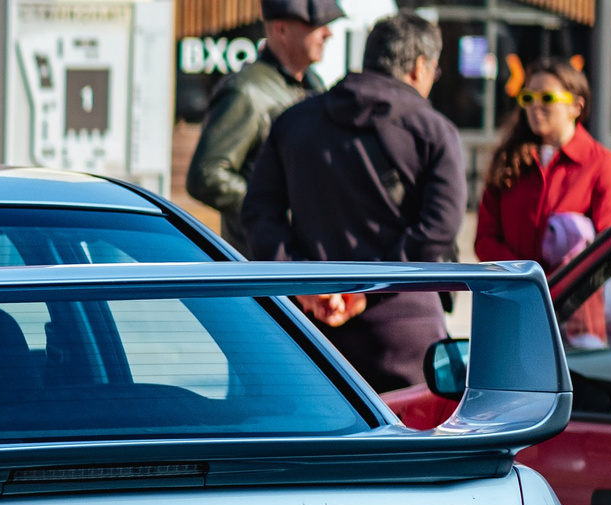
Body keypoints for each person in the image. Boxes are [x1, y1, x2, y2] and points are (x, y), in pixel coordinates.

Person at [239, 12, 466, 391]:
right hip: (404, 331)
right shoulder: (433, 131)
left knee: (313, 444)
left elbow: (259, 213)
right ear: (420, 67)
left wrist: (302, 281)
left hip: (309, 328)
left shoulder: (294, 121)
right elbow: (438, 229)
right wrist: (367, 287)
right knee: (409, 445)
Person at [474, 58, 611, 345]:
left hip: (575, 320)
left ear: (576, 106)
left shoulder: (601, 163)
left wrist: (558, 282)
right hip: (512, 309)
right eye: (528, 97)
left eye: (547, 98)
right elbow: (484, 239)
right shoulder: (507, 159)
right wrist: (526, 279)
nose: (534, 106)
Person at [184, 0, 343, 247]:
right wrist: (271, 206)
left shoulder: (313, 84)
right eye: (316, 24)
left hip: (300, 259)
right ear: (280, 30)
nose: (328, 33)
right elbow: (206, 175)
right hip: (262, 263)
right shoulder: (246, 90)